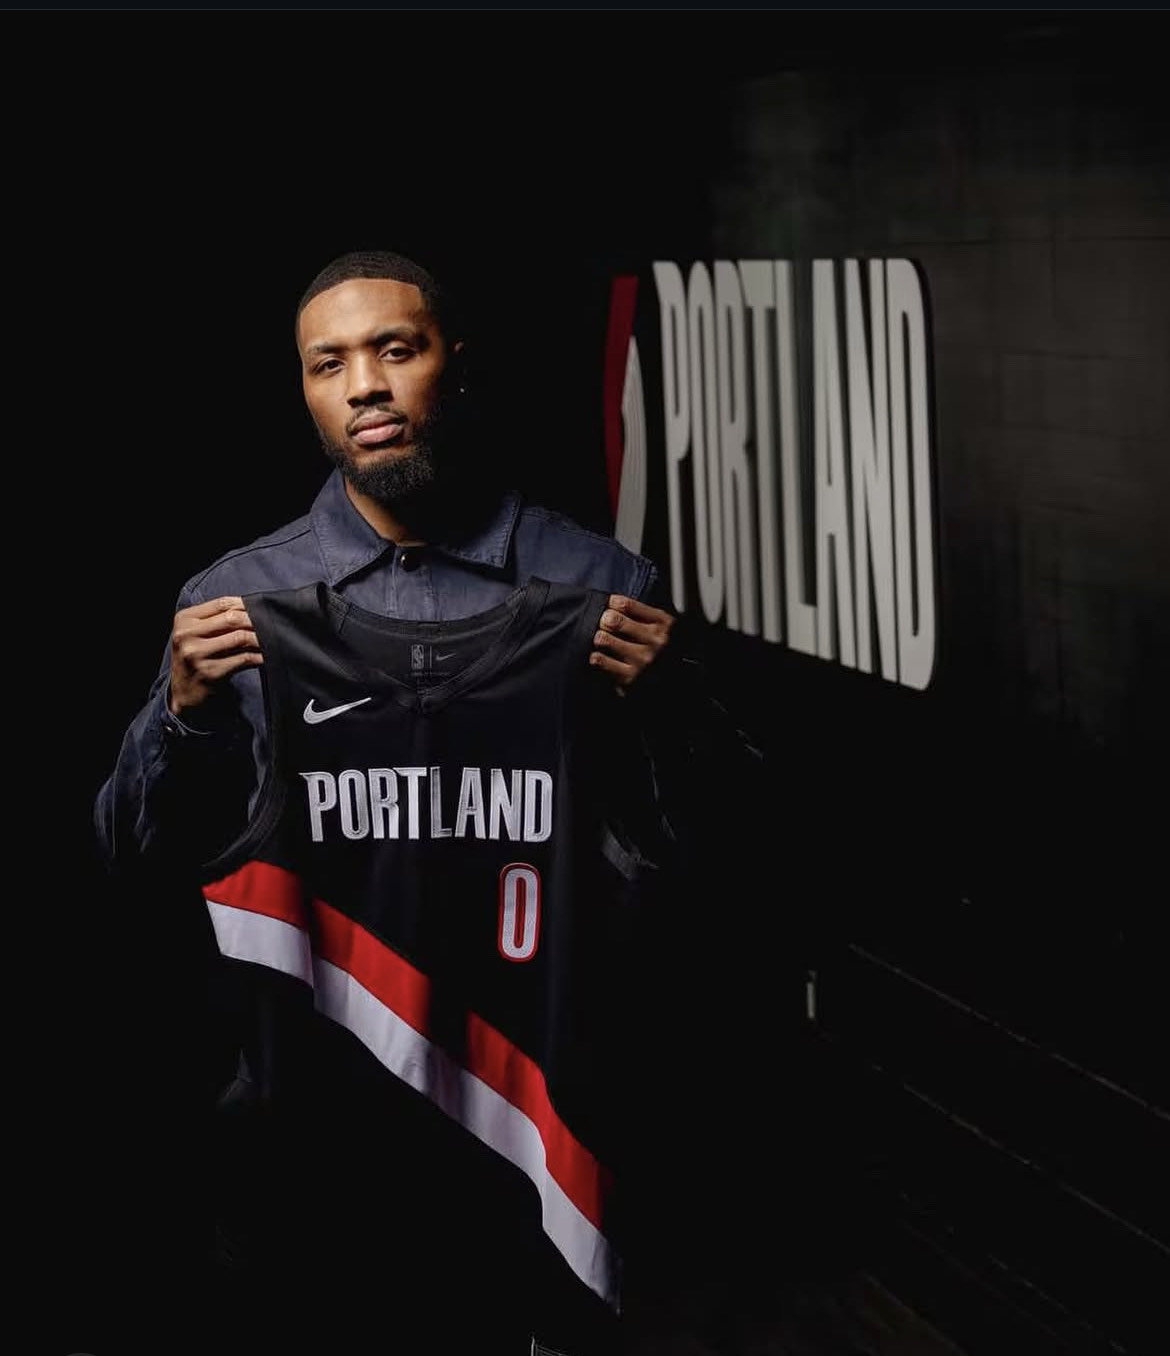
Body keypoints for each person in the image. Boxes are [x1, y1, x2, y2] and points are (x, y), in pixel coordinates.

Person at [93, 248, 767, 1355]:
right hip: (311, 1140)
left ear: (454, 364)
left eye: (394, 350)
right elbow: (128, 852)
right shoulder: (239, 604)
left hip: (532, 1135)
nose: (365, 384)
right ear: (305, 390)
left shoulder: (595, 589)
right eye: (329, 363)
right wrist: (182, 713)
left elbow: (729, 860)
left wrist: (674, 708)